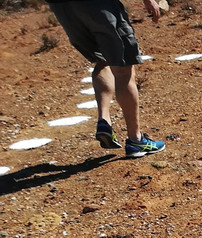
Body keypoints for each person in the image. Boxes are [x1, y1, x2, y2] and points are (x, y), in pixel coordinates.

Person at [47, 0, 166, 158]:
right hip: (99, 6)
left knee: (102, 59)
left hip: (65, 9)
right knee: (123, 70)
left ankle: (104, 120)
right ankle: (135, 140)